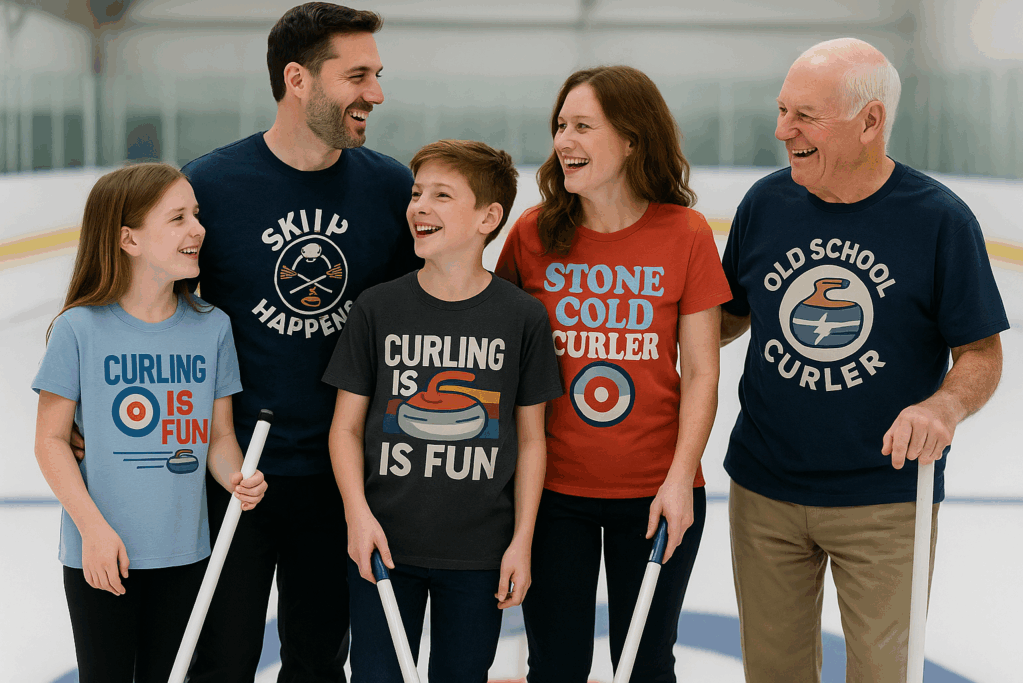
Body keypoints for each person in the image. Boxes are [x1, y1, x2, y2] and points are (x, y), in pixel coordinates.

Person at [719, 38, 1007, 682]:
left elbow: (981, 352)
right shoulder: (766, 204)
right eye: (782, 110)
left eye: (805, 116)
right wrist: (651, 328)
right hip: (764, 489)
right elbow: (730, 315)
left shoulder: (939, 220)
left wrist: (945, 405)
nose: (782, 130)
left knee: (883, 675)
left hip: (886, 496)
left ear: (870, 121)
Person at [179, 4, 420, 681]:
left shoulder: (391, 187)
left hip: (339, 477)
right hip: (231, 474)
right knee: (218, 661)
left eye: (377, 74)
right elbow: (155, 314)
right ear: (298, 79)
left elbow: (423, 322)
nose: (375, 92)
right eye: (358, 75)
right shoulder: (210, 186)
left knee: (318, 663)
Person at [496, 65, 732, 682]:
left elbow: (702, 372)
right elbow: (496, 350)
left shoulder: (684, 234)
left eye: (583, 126)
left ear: (631, 138)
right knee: (555, 666)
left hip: (658, 493)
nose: (563, 141)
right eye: (560, 126)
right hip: (552, 495)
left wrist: (681, 478)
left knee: (647, 667)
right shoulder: (531, 234)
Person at [323, 139, 563, 682]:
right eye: (416, 193)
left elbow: (531, 441)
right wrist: (357, 517)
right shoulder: (377, 307)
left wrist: (521, 541)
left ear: (488, 217)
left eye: (441, 195)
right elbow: (345, 428)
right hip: (384, 547)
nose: (419, 206)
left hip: (479, 555)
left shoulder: (521, 317)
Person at [31, 163, 267, 683]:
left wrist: (235, 477)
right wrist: (93, 531)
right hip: (101, 552)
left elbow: (219, 436)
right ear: (128, 239)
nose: (198, 229)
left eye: (196, 215)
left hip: (186, 553)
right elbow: (50, 440)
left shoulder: (213, 327)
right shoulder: (78, 328)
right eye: (178, 218)